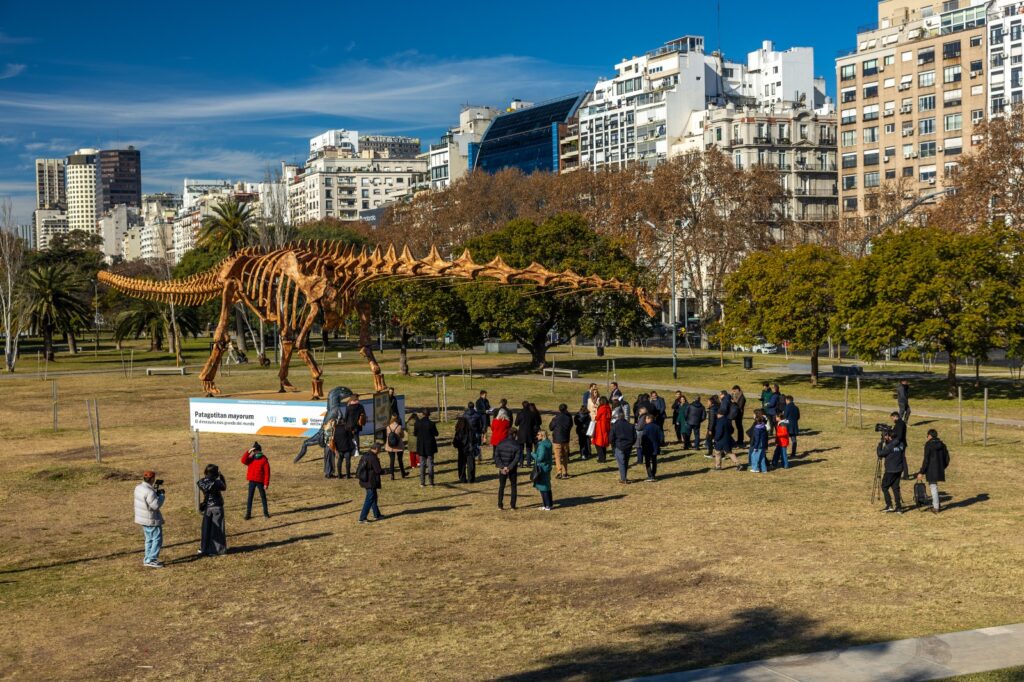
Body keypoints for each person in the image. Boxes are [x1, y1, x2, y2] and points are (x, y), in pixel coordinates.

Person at [134, 470, 165, 568]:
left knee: (149, 539)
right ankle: (152, 559)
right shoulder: (149, 491)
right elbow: (156, 506)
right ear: (152, 479)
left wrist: (155, 494)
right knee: (157, 539)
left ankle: (147, 558)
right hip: (151, 519)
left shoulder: (138, 487)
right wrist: (161, 496)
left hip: (143, 518)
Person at [197, 464, 227, 556]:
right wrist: (221, 477)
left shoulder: (201, 481)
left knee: (206, 529)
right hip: (217, 506)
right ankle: (218, 550)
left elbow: (206, 488)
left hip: (207, 507)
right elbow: (224, 487)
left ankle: (204, 548)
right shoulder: (217, 482)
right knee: (218, 529)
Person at [918, 429, 950, 514]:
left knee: (933, 487)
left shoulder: (928, 445)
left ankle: (936, 507)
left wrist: (921, 472)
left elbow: (926, 460)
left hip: (931, 469)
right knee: (934, 487)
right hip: (939, 469)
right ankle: (936, 504)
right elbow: (947, 458)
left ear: (929, 436)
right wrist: (942, 467)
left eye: (927, 435)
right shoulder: (942, 445)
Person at [877, 430, 906, 513]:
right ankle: (899, 507)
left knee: (884, 486)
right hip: (899, 469)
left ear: (889, 437)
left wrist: (880, 445)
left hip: (890, 470)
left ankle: (889, 505)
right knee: (895, 488)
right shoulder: (901, 444)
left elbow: (880, 454)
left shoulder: (890, 446)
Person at [241, 442, 270, 520]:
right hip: (252, 481)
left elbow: (267, 473)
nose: (254, 452)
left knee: (263, 497)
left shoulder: (264, 460)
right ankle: (248, 514)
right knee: (250, 497)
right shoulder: (251, 458)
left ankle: (266, 513)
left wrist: (266, 484)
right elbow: (243, 460)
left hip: (260, 482)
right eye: (253, 451)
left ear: (259, 450)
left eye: (255, 450)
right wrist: (248, 451)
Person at [494, 428, 522, 510]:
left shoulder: (500, 443)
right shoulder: (517, 445)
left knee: (501, 486)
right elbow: (516, 459)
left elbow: (496, 456)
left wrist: (502, 467)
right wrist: (509, 467)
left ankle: (500, 505)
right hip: (512, 469)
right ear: (514, 434)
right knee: (513, 486)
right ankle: (513, 505)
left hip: (503, 468)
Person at [356, 444, 384, 523]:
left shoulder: (366, 455)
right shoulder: (373, 457)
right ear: (376, 449)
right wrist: (386, 471)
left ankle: (377, 514)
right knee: (370, 499)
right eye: (379, 449)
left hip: (365, 480)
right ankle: (362, 518)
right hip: (371, 481)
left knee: (373, 497)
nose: (380, 451)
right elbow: (378, 470)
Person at [549, 403, 574, 479]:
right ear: (566, 409)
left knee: (557, 456)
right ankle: (565, 472)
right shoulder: (569, 418)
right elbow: (571, 425)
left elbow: (551, 427)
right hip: (565, 439)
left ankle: (559, 472)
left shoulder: (556, 418)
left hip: (557, 439)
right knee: (565, 456)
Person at [414, 409, 438, 487]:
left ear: (422, 414)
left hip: (421, 446)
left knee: (422, 464)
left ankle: (422, 482)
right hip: (430, 446)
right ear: (429, 414)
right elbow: (436, 433)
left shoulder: (417, 423)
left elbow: (415, 433)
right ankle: (431, 482)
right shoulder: (431, 424)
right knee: (430, 464)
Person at [610, 407, 635, 484]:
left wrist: (613, 445)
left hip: (619, 446)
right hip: (628, 446)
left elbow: (611, 437)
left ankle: (623, 478)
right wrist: (631, 444)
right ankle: (624, 477)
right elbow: (635, 437)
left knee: (621, 463)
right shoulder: (630, 425)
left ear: (617, 417)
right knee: (625, 462)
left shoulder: (615, 426)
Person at [713, 405, 741, 471]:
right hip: (727, 439)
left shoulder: (720, 421)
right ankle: (738, 464)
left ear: (720, 414)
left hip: (720, 440)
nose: (716, 415)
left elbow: (719, 432)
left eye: (717, 414)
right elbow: (732, 430)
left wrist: (715, 438)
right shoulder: (728, 420)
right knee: (729, 452)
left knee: (717, 453)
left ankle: (718, 466)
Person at [532, 430, 554, 510]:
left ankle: (547, 505)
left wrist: (532, 454)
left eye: (538, 434)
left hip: (542, 468)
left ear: (542, 435)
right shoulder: (548, 443)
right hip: (547, 466)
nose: (537, 436)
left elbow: (540, 458)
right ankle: (548, 504)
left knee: (543, 487)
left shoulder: (542, 445)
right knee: (547, 486)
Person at [333, 410, 357, 479]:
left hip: (339, 448)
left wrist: (336, 449)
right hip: (347, 447)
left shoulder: (335, 429)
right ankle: (348, 475)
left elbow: (334, 439)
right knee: (347, 462)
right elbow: (351, 437)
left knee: (339, 461)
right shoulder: (346, 428)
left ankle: (339, 475)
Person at [640, 414, 664, 481]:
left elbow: (644, 437)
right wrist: (659, 443)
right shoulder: (657, 427)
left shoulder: (646, 427)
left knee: (647, 461)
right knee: (654, 461)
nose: (645, 420)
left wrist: (642, 444)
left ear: (649, 419)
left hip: (647, 447)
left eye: (646, 419)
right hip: (655, 446)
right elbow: (661, 437)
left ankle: (650, 475)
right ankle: (653, 474)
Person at [453, 416, 477, 484]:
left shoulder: (458, 431)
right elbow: (475, 440)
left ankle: (462, 478)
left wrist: (457, 446)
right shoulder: (471, 430)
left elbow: (455, 442)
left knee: (461, 465)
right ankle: (471, 479)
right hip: (469, 450)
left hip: (462, 450)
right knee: (471, 465)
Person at [516, 401, 540, 467]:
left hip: (521, 433)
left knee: (521, 449)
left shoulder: (520, 413)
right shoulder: (532, 414)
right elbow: (536, 423)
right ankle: (528, 463)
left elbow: (516, 423)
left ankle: (521, 463)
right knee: (529, 449)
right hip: (530, 433)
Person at [384, 414, 408, 480]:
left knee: (392, 460)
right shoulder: (399, 427)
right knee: (400, 460)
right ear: (397, 419)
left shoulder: (388, 427)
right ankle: (403, 473)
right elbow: (402, 436)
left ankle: (392, 475)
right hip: (399, 446)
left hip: (390, 446)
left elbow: (387, 435)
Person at [891, 411, 910, 479]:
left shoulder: (900, 423)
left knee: (902, 459)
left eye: (892, 418)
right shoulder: (899, 423)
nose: (892, 420)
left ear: (895, 416)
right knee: (901, 458)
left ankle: (905, 475)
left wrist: (893, 437)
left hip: (900, 444)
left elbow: (899, 435)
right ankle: (904, 474)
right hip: (900, 443)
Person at [592, 396, 612, 463]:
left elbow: (597, 417)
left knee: (598, 443)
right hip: (607, 426)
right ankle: (604, 457)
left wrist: (595, 415)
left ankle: (601, 458)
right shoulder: (608, 408)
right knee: (604, 442)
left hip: (600, 426)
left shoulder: (602, 408)